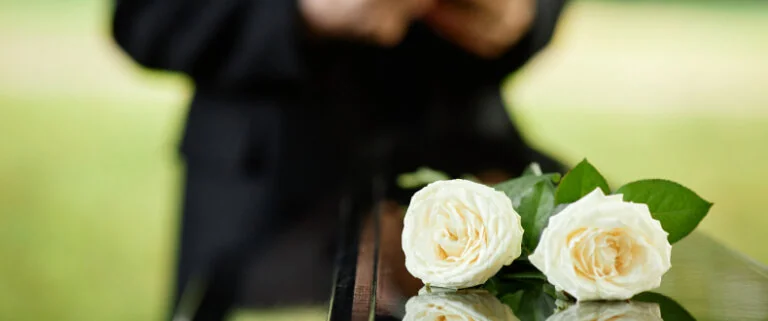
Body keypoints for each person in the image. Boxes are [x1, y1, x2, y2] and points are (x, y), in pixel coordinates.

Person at [111, 0, 567, 319]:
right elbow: (146, 15)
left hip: (473, 174)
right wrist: (298, 13)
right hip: (259, 196)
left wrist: (525, 13)